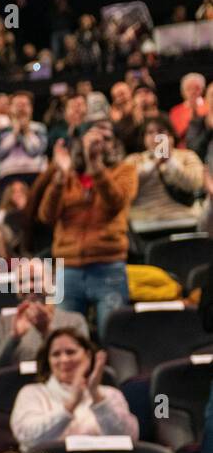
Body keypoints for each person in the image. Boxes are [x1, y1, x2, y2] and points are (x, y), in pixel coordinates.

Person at [38, 122, 136, 338]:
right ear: (80, 144)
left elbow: (116, 203)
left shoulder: (125, 170)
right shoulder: (67, 177)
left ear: (113, 144)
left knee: (113, 336)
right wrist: (59, 179)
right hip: (69, 268)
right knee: (65, 338)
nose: (99, 145)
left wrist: (97, 168)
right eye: (92, 140)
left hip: (108, 266)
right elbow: (47, 216)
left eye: (105, 140)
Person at [0, 260, 88, 399]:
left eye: (35, 279)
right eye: (22, 282)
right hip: (9, 400)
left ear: (52, 283)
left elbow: (85, 366)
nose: (29, 286)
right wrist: (13, 338)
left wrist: (47, 332)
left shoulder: (73, 321)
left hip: (63, 398)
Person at [10, 327, 137, 453]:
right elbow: (29, 439)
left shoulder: (110, 394)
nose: (64, 360)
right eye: (56, 354)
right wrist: (71, 404)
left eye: (70, 352)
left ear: (87, 355)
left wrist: (96, 396)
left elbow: (128, 438)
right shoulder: (31, 393)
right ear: (48, 360)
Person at [124, 116, 206, 236]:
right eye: (150, 132)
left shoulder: (187, 156)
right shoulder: (134, 160)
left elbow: (195, 183)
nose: (155, 137)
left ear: (171, 135)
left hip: (185, 222)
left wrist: (170, 161)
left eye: (161, 132)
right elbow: (126, 189)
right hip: (145, 226)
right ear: (143, 138)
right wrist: (154, 164)